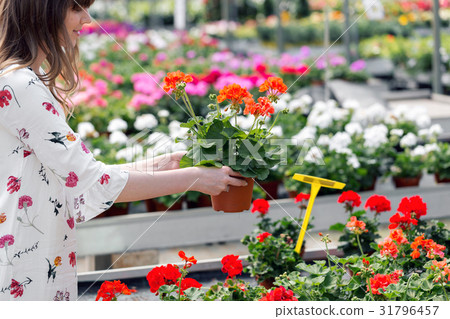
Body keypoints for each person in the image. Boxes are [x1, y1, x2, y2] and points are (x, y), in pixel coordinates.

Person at [0, 0, 247, 301]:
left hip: (34, 254)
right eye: (76, 8)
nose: (87, 19)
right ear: (42, 11)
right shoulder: (21, 85)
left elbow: (78, 178)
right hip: (26, 267)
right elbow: (92, 181)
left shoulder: (23, 80)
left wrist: (165, 163)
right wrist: (195, 179)